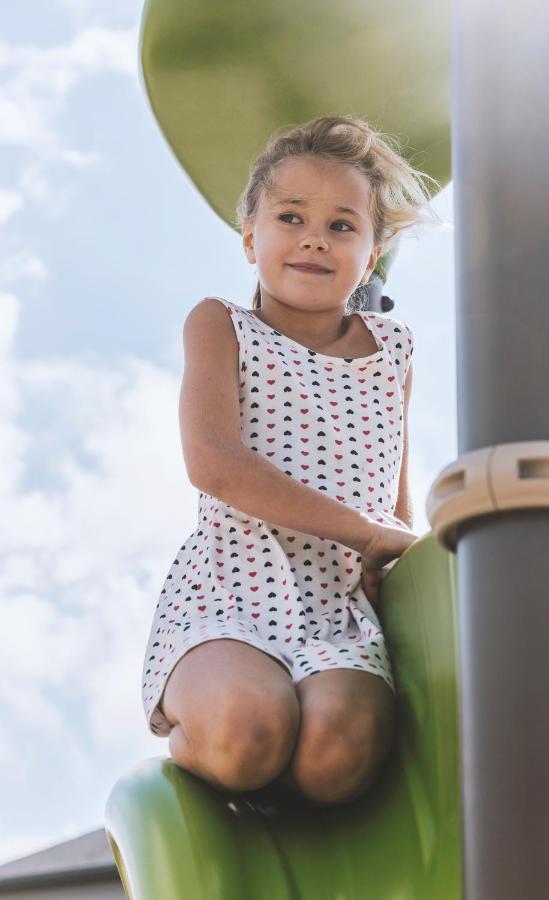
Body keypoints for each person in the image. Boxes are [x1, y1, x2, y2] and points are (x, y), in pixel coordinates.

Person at [141, 115, 443, 808]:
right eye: (290, 216)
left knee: (338, 755)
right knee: (248, 733)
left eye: (343, 226)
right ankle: (202, 758)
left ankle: (289, 791)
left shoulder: (392, 349)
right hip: (234, 593)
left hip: (337, 612)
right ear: (251, 238)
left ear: (370, 257)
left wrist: (387, 559)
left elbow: (390, 498)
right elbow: (215, 464)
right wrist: (368, 534)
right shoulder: (222, 325)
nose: (314, 236)